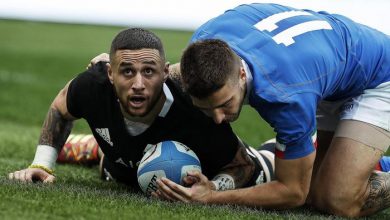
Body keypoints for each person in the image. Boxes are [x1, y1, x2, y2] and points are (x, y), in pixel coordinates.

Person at [154, 3, 390, 217]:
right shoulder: (201, 48)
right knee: (316, 189)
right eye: (206, 108)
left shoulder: (285, 98)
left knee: (336, 199)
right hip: (321, 71)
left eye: (225, 104)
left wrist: (210, 197)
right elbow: (168, 75)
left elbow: (292, 191)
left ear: (242, 74)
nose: (218, 119)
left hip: (378, 75)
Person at [8, 28, 275, 194]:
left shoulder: (195, 109)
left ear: (165, 72)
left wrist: (214, 188)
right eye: (127, 71)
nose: (138, 85)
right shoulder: (94, 85)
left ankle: (94, 148)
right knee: (118, 165)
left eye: (149, 72)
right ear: (111, 73)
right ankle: (97, 149)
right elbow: (60, 108)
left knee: (265, 169)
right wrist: (42, 164)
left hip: (230, 166)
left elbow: (243, 165)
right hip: (123, 166)